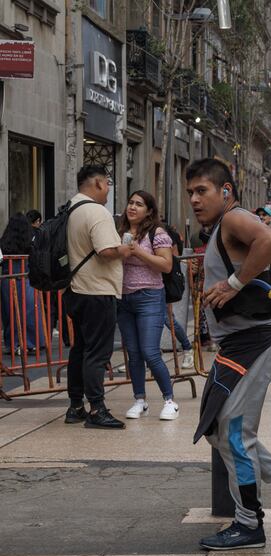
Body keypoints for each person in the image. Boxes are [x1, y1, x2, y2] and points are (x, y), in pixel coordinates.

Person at [188, 157, 271, 550]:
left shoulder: (233, 218)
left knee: (234, 433)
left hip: (253, 343)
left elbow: (270, 242)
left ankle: (248, 523)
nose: (194, 199)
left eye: (202, 191)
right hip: (237, 344)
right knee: (219, 431)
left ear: (225, 191)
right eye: (190, 192)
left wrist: (233, 283)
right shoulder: (220, 227)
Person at [64, 165, 131, 429]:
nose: (108, 190)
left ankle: (75, 406)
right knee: (97, 353)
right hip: (98, 290)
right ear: (98, 183)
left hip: (77, 289)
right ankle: (97, 409)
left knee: (80, 349)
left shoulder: (71, 208)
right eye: (107, 184)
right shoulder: (96, 211)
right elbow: (106, 251)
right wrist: (125, 249)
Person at [116, 191, 179, 420]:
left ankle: (170, 400)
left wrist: (138, 251)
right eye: (130, 203)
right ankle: (140, 400)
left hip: (149, 297)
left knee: (150, 352)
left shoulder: (157, 233)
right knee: (133, 354)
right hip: (124, 299)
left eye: (139, 204)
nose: (132, 207)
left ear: (149, 211)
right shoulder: (119, 231)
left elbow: (166, 265)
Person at [0, 214, 41, 353]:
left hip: (7, 279)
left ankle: (13, 343)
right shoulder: (31, 241)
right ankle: (31, 342)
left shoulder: (3, 242)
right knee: (30, 312)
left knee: (10, 313)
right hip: (27, 279)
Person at [160, 221, 194, 369]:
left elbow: (173, 262)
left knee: (168, 319)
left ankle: (187, 348)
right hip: (149, 284)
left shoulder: (166, 235)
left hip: (164, 283)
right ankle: (147, 355)